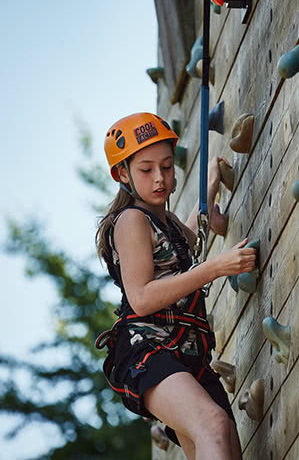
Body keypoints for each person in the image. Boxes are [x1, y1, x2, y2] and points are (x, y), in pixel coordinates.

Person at [95, 112, 255, 460]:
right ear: (123, 174)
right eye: (146, 169)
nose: (160, 179)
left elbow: (188, 245)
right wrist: (216, 268)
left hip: (189, 354)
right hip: (150, 348)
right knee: (213, 424)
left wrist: (210, 184)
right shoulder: (131, 220)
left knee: (223, 439)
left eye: (167, 167)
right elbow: (141, 297)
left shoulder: (164, 221)